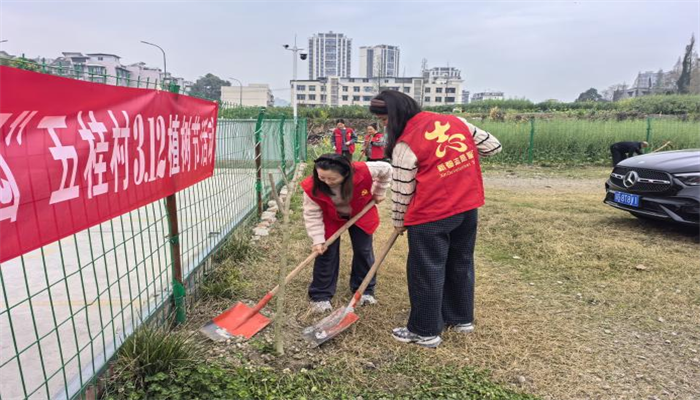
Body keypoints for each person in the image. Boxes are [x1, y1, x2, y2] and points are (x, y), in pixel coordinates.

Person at [369, 90, 502, 348]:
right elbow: (493, 146)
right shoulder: (455, 122)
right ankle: (460, 319)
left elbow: (403, 189)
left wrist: (399, 221)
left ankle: (425, 331)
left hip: (431, 215)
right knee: (460, 262)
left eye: (384, 120)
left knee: (426, 270)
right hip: (467, 207)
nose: (383, 126)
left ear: (396, 115)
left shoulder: (406, 143)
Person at [300, 153, 392, 313]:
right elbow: (312, 214)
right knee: (325, 252)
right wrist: (318, 240)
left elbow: (387, 168)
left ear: (346, 173)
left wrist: (379, 192)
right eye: (322, 177)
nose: (326, 182)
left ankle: (365, 291)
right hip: (331, 216)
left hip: (361, 211)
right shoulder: (312, 186)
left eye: (332, 179)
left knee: (363, 250)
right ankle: (321, 296)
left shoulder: (363, 170)